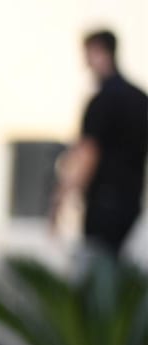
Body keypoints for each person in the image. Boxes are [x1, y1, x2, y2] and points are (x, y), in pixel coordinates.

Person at [51, 29, 148, 260]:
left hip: (104, 203)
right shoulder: (140, 98)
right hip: (132, 200)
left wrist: (60, 198)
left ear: (99, 52)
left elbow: (88, 154)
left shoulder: (102, 101)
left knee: (99, 275)